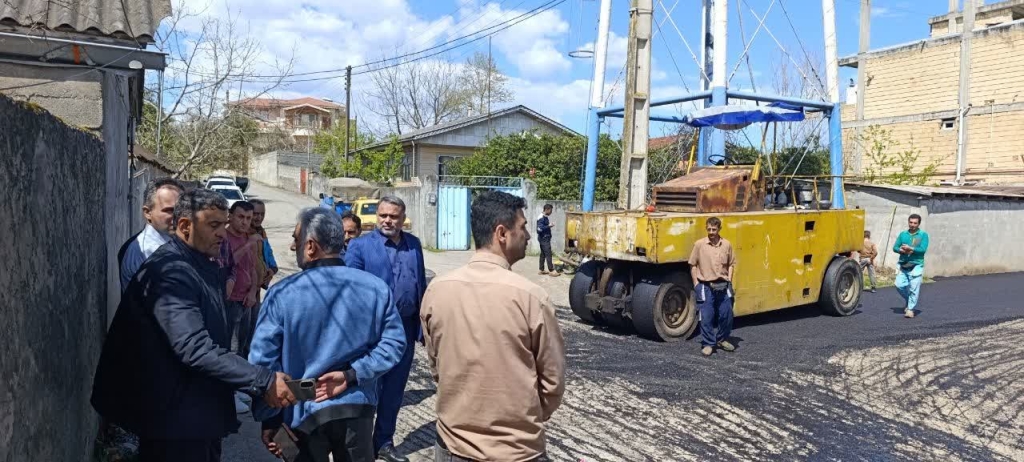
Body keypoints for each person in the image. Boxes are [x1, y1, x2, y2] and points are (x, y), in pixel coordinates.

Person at [91, 188, 295, 462]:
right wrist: (264, 380)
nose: (222, 234)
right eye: (213, 225)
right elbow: (194, 347)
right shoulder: (171, 272)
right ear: (186, 225)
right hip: (175, 418)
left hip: (196, 410)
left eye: (223, 224)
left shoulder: (200, 263)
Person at [250, 208, 406, 462]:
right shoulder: (376, 288)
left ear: (311, 246)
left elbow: (263, 360)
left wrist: (270, 418)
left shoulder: (282, 294)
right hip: (356, 406)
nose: (293, 246)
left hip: (301, 410)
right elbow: (394, 344)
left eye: (296, 239)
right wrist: (352, 375)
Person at [422, 190, 565, 462]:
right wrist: (522, 419)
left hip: (453, 446)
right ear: (502, 233)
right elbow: (553, 383)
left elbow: (437, 366)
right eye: (522, 227)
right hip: (516, 451)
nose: (528, 235)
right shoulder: (531, 298)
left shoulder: (437, 290)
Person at [344, 196, 427, 462]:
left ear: (403, 218)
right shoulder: (360, 246)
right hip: (373, 331)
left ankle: (383, 442)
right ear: (377, 216)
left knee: (394, 389)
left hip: (405, 328)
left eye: (393, 216)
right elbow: (350, 290)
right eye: (383, 216)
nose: (387, 221)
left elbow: (420, 285)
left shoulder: (413, 244)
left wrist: (423, 326)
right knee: (368, 386)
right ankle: (359, 445)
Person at [118, 178, 184, 291]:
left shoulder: (172, 241)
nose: (178, 216)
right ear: (148, 212)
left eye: (181, 209)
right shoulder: (145, 252)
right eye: (169, 210)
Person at [688, 216, 737, 357]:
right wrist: (696, 284)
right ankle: (708, 344)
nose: (711, 232)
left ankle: (722, 339)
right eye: (708, 229)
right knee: (707, 316)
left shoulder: (727, 244)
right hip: (705, 286)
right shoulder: (699, 245)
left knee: (727, 314)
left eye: (714, 229)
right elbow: (692, 264)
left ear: (719, 229)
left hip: (724, 285)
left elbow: (731, 264)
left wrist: (729, 280)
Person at [220, 201, 261, 355]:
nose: (245, 222)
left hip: (247, 301)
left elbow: (253, 268)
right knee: (231, 348)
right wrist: (248, 244)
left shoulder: (248, 237)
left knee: (244, 346)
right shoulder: (223, 238)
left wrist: (252, 292)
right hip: (230, 301)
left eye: (248, 218)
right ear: (230, 216)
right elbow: (228, 264)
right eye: (241, 217)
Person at [894, 214, 929, 318]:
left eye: (915, 223)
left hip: (916, 264)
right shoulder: (903, 234)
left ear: (918, 224)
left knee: (914, 288)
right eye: (911, 222)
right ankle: (909, 300)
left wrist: (911, 249)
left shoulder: (923, 235)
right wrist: (900, 250)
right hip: (903, 264)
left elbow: (923, 249)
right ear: (908, 222)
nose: (912, 225)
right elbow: (895, 247)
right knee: (899, 285)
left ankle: (910, 309)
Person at [537, 203, 558, 276]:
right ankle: (551, 270)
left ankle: (541, 269)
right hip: (544, 239)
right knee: (548, 254)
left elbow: (543, 227)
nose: (551, 212)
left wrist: (549, 226)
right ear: (547, 210)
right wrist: (548, 226)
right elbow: (539, 229)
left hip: (545, 238)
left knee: (543, 254)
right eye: (551, 211)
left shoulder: (545, 217)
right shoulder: (541, 217)